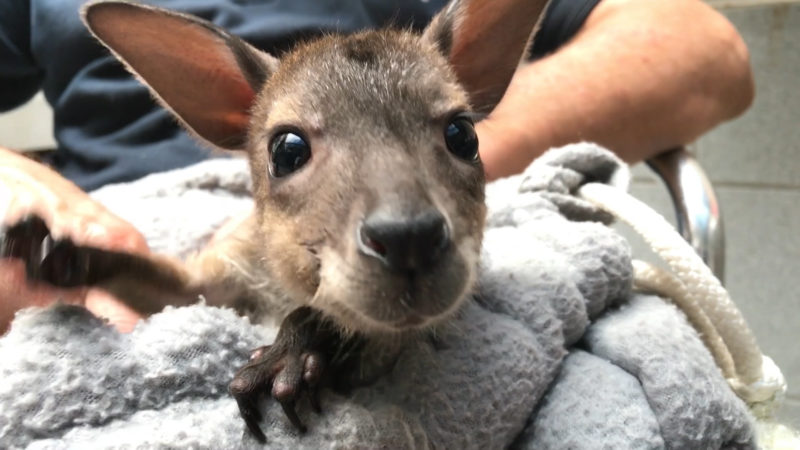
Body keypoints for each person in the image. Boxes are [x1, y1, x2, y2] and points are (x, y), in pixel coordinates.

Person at [0, 0, 754, 334]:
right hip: (134, 221)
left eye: (458, 129)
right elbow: (190, 287)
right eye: (296, 148)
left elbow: (706, 48)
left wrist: (451, 146)